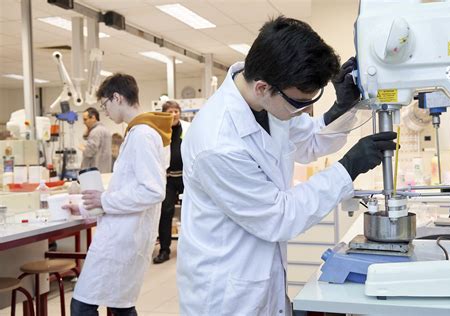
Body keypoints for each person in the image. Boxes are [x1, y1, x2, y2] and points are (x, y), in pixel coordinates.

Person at [177, 16, 397, 315]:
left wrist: (340, 108)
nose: (304, 110)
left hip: (261, 276)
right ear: (263, 88)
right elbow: (278, 216)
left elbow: (307, 142)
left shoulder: (265, 102)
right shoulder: (218, 144)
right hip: (226, 294)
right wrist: (348, 167)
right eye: (299, 103)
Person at [64, 73, 173, 316]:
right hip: (125, 233)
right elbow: (127, 189)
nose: (106, 112)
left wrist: (103, 200)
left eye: (105, 105)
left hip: (123, 237)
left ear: (117, 97)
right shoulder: (139, 133)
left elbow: (152, 190)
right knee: (119, 305)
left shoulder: (143, 135)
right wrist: (85, 208)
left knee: (83, 305)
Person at [153, 100, 190, 264]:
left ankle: (190, 248)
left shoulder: (188, 128)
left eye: (176, 111)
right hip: (168, 177)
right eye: (170, 111)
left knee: (190, 212)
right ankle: (164, 250)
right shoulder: (159, 130)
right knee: (165, 212)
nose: (174, 114)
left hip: (185, 177)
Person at [80, 107, 112, 173]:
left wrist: (83, 148)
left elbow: (89, 152)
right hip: (104, 170)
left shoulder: (95, 132)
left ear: (93, 118)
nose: (84, 122)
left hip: (94, 173)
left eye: (85, 119)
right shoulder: (105, 130)